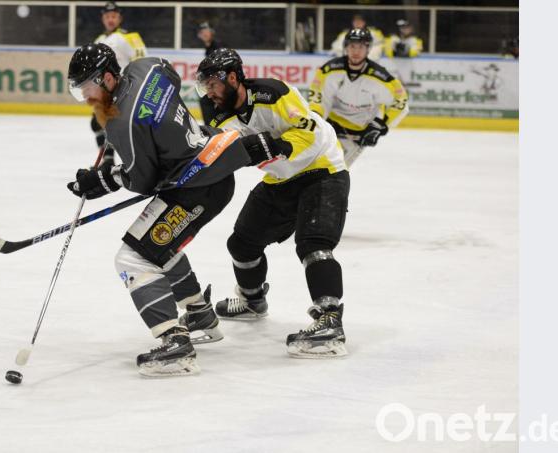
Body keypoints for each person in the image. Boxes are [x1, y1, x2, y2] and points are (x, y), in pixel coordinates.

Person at [66, 43, 283, 376]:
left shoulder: (122, 123)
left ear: (108, 77)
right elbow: (168, 70)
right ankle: (198, 313)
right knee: (154, 244)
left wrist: (103, 179)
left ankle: (175, 341)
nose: (87, 95)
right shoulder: (146, 67)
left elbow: (142, 180)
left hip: (197, 188)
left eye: (88, 87)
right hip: (210, 163)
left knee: (133, 258)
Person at [196, 48, 351, 358]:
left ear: (232, 77)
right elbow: (223, 154)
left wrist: (273, 146)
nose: (209, 93)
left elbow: (311, 136)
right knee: (242, 244)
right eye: (205, 86)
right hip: (280, 179)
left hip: (322, 169)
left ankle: (330, 320)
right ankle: (253, 300)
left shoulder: (273, 93)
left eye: (212, 84)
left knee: (313, 244)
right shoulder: (216, 113)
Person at [310, 28, 409, 168]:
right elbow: (318, 98)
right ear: (345, 47)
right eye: (352, 46)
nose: (356, 51)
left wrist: (380, 125)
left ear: (368, 49)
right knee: (309, 168)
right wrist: (317, 120)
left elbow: (401, 102)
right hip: (331, 128)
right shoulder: (329, 70)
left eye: (361, 47)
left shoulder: (381, 77)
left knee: (332, 173)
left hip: (358, 135)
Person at [90, 1, 148, 163]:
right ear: (102, 18)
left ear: (120, 18)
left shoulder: (130, 37)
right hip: (103, 90)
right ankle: (108, 159)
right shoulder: (99, 39)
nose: (110, 19)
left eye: (114, 16)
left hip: (122, 89)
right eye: (107, 16)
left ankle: (119, 160)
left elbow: (142, 61)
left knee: (114, 126)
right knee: (98, 124)